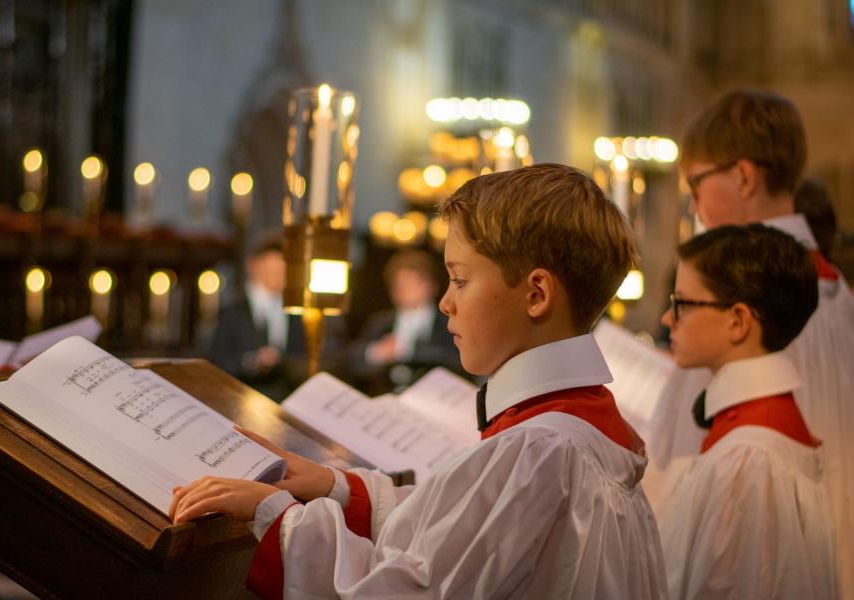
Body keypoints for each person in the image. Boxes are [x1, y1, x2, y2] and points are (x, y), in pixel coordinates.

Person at [170, 164, 668, 599]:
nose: (445, 303)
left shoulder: (539, 451)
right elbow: (458, 534)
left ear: (536, 294)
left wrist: (276, 516)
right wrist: (335, 487)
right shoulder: (575, 428)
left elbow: (408, 591)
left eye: (460, 279)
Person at [646, 89, 854, 598]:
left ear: (743, 175)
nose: (693, 203)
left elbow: (681, 478)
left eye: (695, 182)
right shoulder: (839, 292)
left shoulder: (731, 307)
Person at [658, 224, 837, 599]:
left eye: (682, 304)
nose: (667, 319)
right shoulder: (755, 430)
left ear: (738, 321)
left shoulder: (746, 460)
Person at [346, 249, 461, 395]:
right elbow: (351, 361)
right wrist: (376, 352)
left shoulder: (447, 323)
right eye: (398, 286)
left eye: (410, 284)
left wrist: (407, 350)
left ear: (430, 286)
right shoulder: (381, 323)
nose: (403, 291)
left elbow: (456, 361)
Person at [209, 237, 306, 400]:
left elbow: (303, 357)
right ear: (254, 266)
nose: (277, 277)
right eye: (272, 270)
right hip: (241, 398)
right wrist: (250, 362)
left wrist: (281, 361)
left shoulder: (296, 314)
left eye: (282, 272)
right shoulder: (233, 312)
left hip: (284, 400)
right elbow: (216, 360)